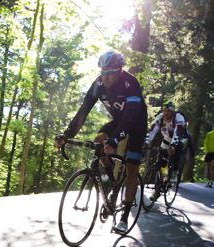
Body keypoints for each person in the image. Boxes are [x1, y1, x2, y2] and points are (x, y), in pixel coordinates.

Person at [55, 50, 148, 234]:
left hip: (136, 123)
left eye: (109, 73)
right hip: (118, 121)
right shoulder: (98, 83)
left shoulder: (130, 83)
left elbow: (130, 116)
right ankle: (112, 181)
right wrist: (67, 134)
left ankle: (124, 217)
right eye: (102, 72)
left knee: (131, 169)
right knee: (99, 141)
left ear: (119, 71)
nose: (104, 78)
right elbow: (84, 110)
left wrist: (116, 139)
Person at [146, 102, 189, 183]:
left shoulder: (179, 117)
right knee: (162, 159)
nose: (166, 113)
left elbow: (178, 132)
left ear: (173, 112)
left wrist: (173, 146)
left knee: (176, 151)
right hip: (167, 139)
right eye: (164, 110)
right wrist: (146, 141)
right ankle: (163, 180)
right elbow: (153, 130)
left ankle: (174, 172)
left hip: (180, 139)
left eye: (168, 111)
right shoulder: (160, 117)